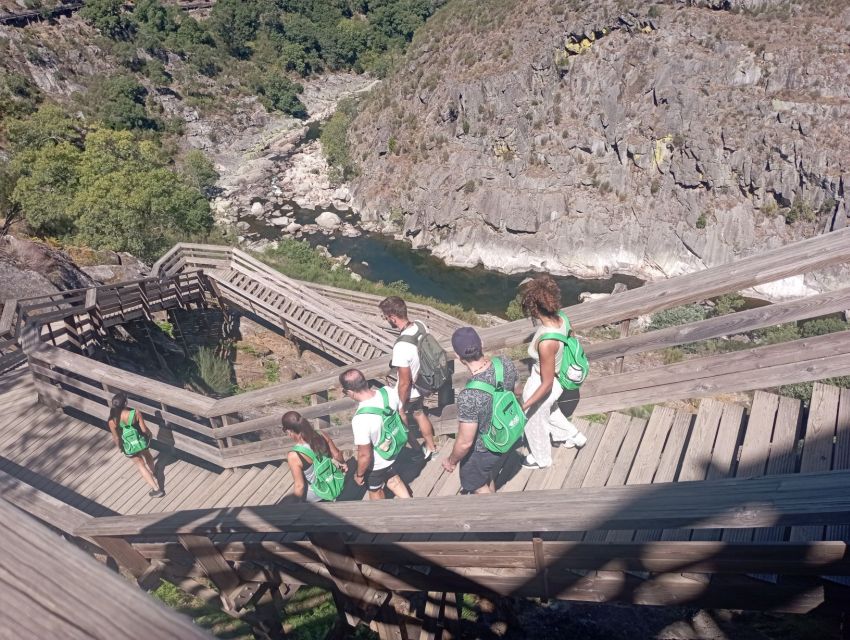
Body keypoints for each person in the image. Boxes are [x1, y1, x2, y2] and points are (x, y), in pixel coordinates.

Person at [518, 275, 587, 470]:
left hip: (544, 382)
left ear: (534, 308)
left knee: (534, 420)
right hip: (556, 379)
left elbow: (546, 383)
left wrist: (525, 405)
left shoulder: (547, 341)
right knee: (549, 411)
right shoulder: (562, 318)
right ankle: (572, 436)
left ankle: (541, 459)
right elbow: (570, 337)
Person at [441, 327, 520, 494]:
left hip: (484, 449)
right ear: (481, 344)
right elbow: (516, 392)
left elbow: (465, 442)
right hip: (506, 434)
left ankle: (494, 515)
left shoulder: (469, 395)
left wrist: (451, 461)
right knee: (486, 474)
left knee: (475, 483)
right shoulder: (505, 363)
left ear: (458, 356)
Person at [378, 296, 438, 459]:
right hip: (424, 382)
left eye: (386, 317)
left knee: (401, 419)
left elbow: (404, 381)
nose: (386, 320)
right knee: (419, 413)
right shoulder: (420, 325)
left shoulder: (401, 346)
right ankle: (432, 448)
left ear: (392, 317)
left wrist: (401, 405)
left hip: (410, 392)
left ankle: (418, 451)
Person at [340, 368, 411, 500]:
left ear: (350, 392)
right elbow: (402, 416)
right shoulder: (388, 392)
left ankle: (381, 516)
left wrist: (359, 474)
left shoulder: (360, 419)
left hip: (377, 463)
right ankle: (410, 503)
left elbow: (364, 455)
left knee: (375, 490)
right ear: (365, 382)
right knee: (392, 478)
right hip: (394, 448)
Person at [282, 411, 347, 503]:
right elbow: (337, 455)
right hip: (332, 484)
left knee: (284, 503)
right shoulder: (321, 434)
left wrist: (294, 507)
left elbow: (300, 486)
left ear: (289, 431)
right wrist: (343, 463)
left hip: (315, 495)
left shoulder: (294, 455)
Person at [107, 393, 164, 497]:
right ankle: (154, 471)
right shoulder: (135, 413)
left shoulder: (112, 421)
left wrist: (120, 447)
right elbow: (143, 429)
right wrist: (149, 434)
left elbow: (116, 437)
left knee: (140, 464)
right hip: (141, 441)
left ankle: (157, 489)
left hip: (129, 446)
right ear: (125, 403)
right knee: (147, 455)